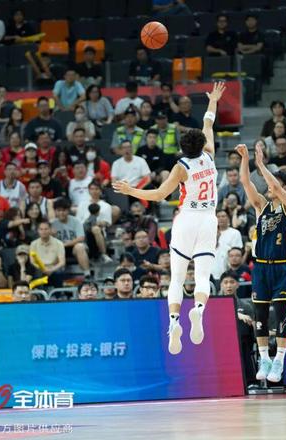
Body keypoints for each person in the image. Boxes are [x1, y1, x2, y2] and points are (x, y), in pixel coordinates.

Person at [112, 83, 226, 355]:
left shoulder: (180, 167)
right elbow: (208, 122)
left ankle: (174, 321)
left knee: (176, 278)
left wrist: (130, 190)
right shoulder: (210, 156)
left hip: (186, 220)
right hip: (208, 220)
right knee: (202, 275)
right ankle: (199, 310)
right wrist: (213, 101)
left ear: (182, 149)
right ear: (201, 145)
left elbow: (160, 194)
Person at [236, 141, 286, 383]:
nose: (270, 186)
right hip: (260, 266)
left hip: (281, 266)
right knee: (260, 314)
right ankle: (265, 359)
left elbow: (274, 185)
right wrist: (245, 159)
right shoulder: (262, 205)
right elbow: (245, 182)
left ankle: (279, 360)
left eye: (276, 184)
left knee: (281, 314)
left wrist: (261, 164)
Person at [52, 197, 90, 273]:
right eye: (59, 210)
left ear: (68, 210)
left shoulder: (76, 221)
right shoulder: (52, 223)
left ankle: (87, 274)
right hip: (59, 248)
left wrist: (66, 244)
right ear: (55, 211)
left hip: (74, 247)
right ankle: (54, 274)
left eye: (64, 210)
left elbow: (81, 238)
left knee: (80, 247)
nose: (61, 213)